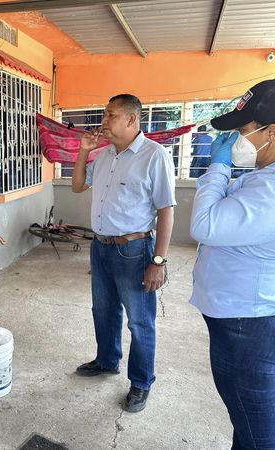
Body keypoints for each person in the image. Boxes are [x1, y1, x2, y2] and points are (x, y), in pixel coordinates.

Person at [189, 78, 275, 449]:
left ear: (272, 132)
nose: (235, 139)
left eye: (242, 130)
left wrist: (217, 167)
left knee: (259, 437)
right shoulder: (271, 176)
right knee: (246, 422)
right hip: (248, 319)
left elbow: (205, 224)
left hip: (254, 328)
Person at [71, 94, 176, 413]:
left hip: (134, 250)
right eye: (104, 114)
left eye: (110, 115)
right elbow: (77, 186)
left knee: (140, 322)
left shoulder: (154, 155)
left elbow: (166, 210)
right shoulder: (104, 155)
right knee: (103, 310)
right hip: (100, 246)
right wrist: (83, 151)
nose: (104, 120)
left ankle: (141, 382)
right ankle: (107, 360)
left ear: (131, 119)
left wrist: (158, 261)